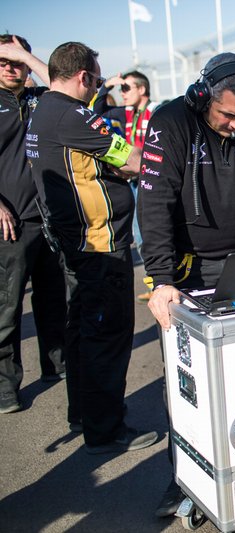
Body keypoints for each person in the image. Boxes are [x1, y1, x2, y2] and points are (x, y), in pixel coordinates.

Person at [136, 52, 235, 518]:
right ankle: (184, 476)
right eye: (228, 115)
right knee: (190, 384)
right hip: (185, 269)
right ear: (202, 98)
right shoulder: (170, 122)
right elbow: (154, 203)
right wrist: (161, 278)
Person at [25, 42, 155, 453]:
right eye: (96, 81)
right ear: (83, 76)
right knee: (107, 336)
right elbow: (133, 160)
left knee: (82, 330)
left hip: (71, 242)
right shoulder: (73, 115)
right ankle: (106, 430)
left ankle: (83, 414)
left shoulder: (42, 111)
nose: (96, 88)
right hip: (99, 244)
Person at [0, 34, 67, 414]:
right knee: (7, 308)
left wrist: (24, 55)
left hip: (48, 219)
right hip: (9, 224)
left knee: (54, 300)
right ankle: (6, 386)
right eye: (4, 61)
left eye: (18, 62)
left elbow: (65, 89)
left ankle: (55, 364)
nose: (12, 68)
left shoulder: (38, 98)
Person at [91, 70, 158, 301]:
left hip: (152, 180)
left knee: (152, 232)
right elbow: (97, 111)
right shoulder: (126, 112)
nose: (123, 93)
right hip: (132, 180)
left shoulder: (157, 110)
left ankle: (160, 282)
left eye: (126, 88)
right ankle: (154, 284)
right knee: (139, 235)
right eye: (120, 89)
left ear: (142, 89)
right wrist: (107, 86)